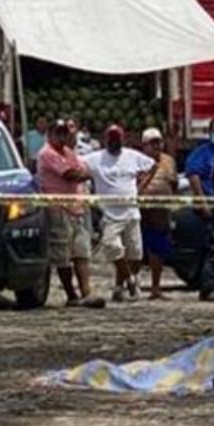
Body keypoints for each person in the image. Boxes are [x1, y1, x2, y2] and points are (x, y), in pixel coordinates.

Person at [84, 125, 156, 303]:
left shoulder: (132, 156)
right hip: (110, 214)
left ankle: (119, 287)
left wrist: (141, 186)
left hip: (131, 212)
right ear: (105, 140)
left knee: (135, 254)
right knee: (112, 247)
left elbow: (153, 166)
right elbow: (76, 165)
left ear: (123, 140)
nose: (114, 143)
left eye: (117, 139)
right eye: (111, 139)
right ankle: (130, 281)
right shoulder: (95, 158)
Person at [36, 121, 104, 308]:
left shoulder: (68, 152)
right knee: (63, 255)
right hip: (58, 209)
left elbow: (82, 169)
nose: (61, 137)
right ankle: (71, 294)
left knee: (81, 252)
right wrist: (85, 174)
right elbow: (70, 174)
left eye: (63, 133)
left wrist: (84, 173)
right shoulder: (46, 153)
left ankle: (86, 292)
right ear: (50, 134)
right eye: (58, 133)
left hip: (77, 208)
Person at [184, 118, 214, 302]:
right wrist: (202, 201)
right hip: (210, 206)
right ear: (210, 133)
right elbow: (193, 175)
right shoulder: (202, 153)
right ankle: (208, 288)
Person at [136, 128, 179, 300]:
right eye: (152, 143)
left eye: (159, 142)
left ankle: (156, 287)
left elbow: (173, 183)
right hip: (140, 210)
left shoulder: (168, 161)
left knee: (158, 250)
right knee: (134, 250)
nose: (156, 146)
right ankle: (128, 285)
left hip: (161, 211)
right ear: (144, 145)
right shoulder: (138, 160)